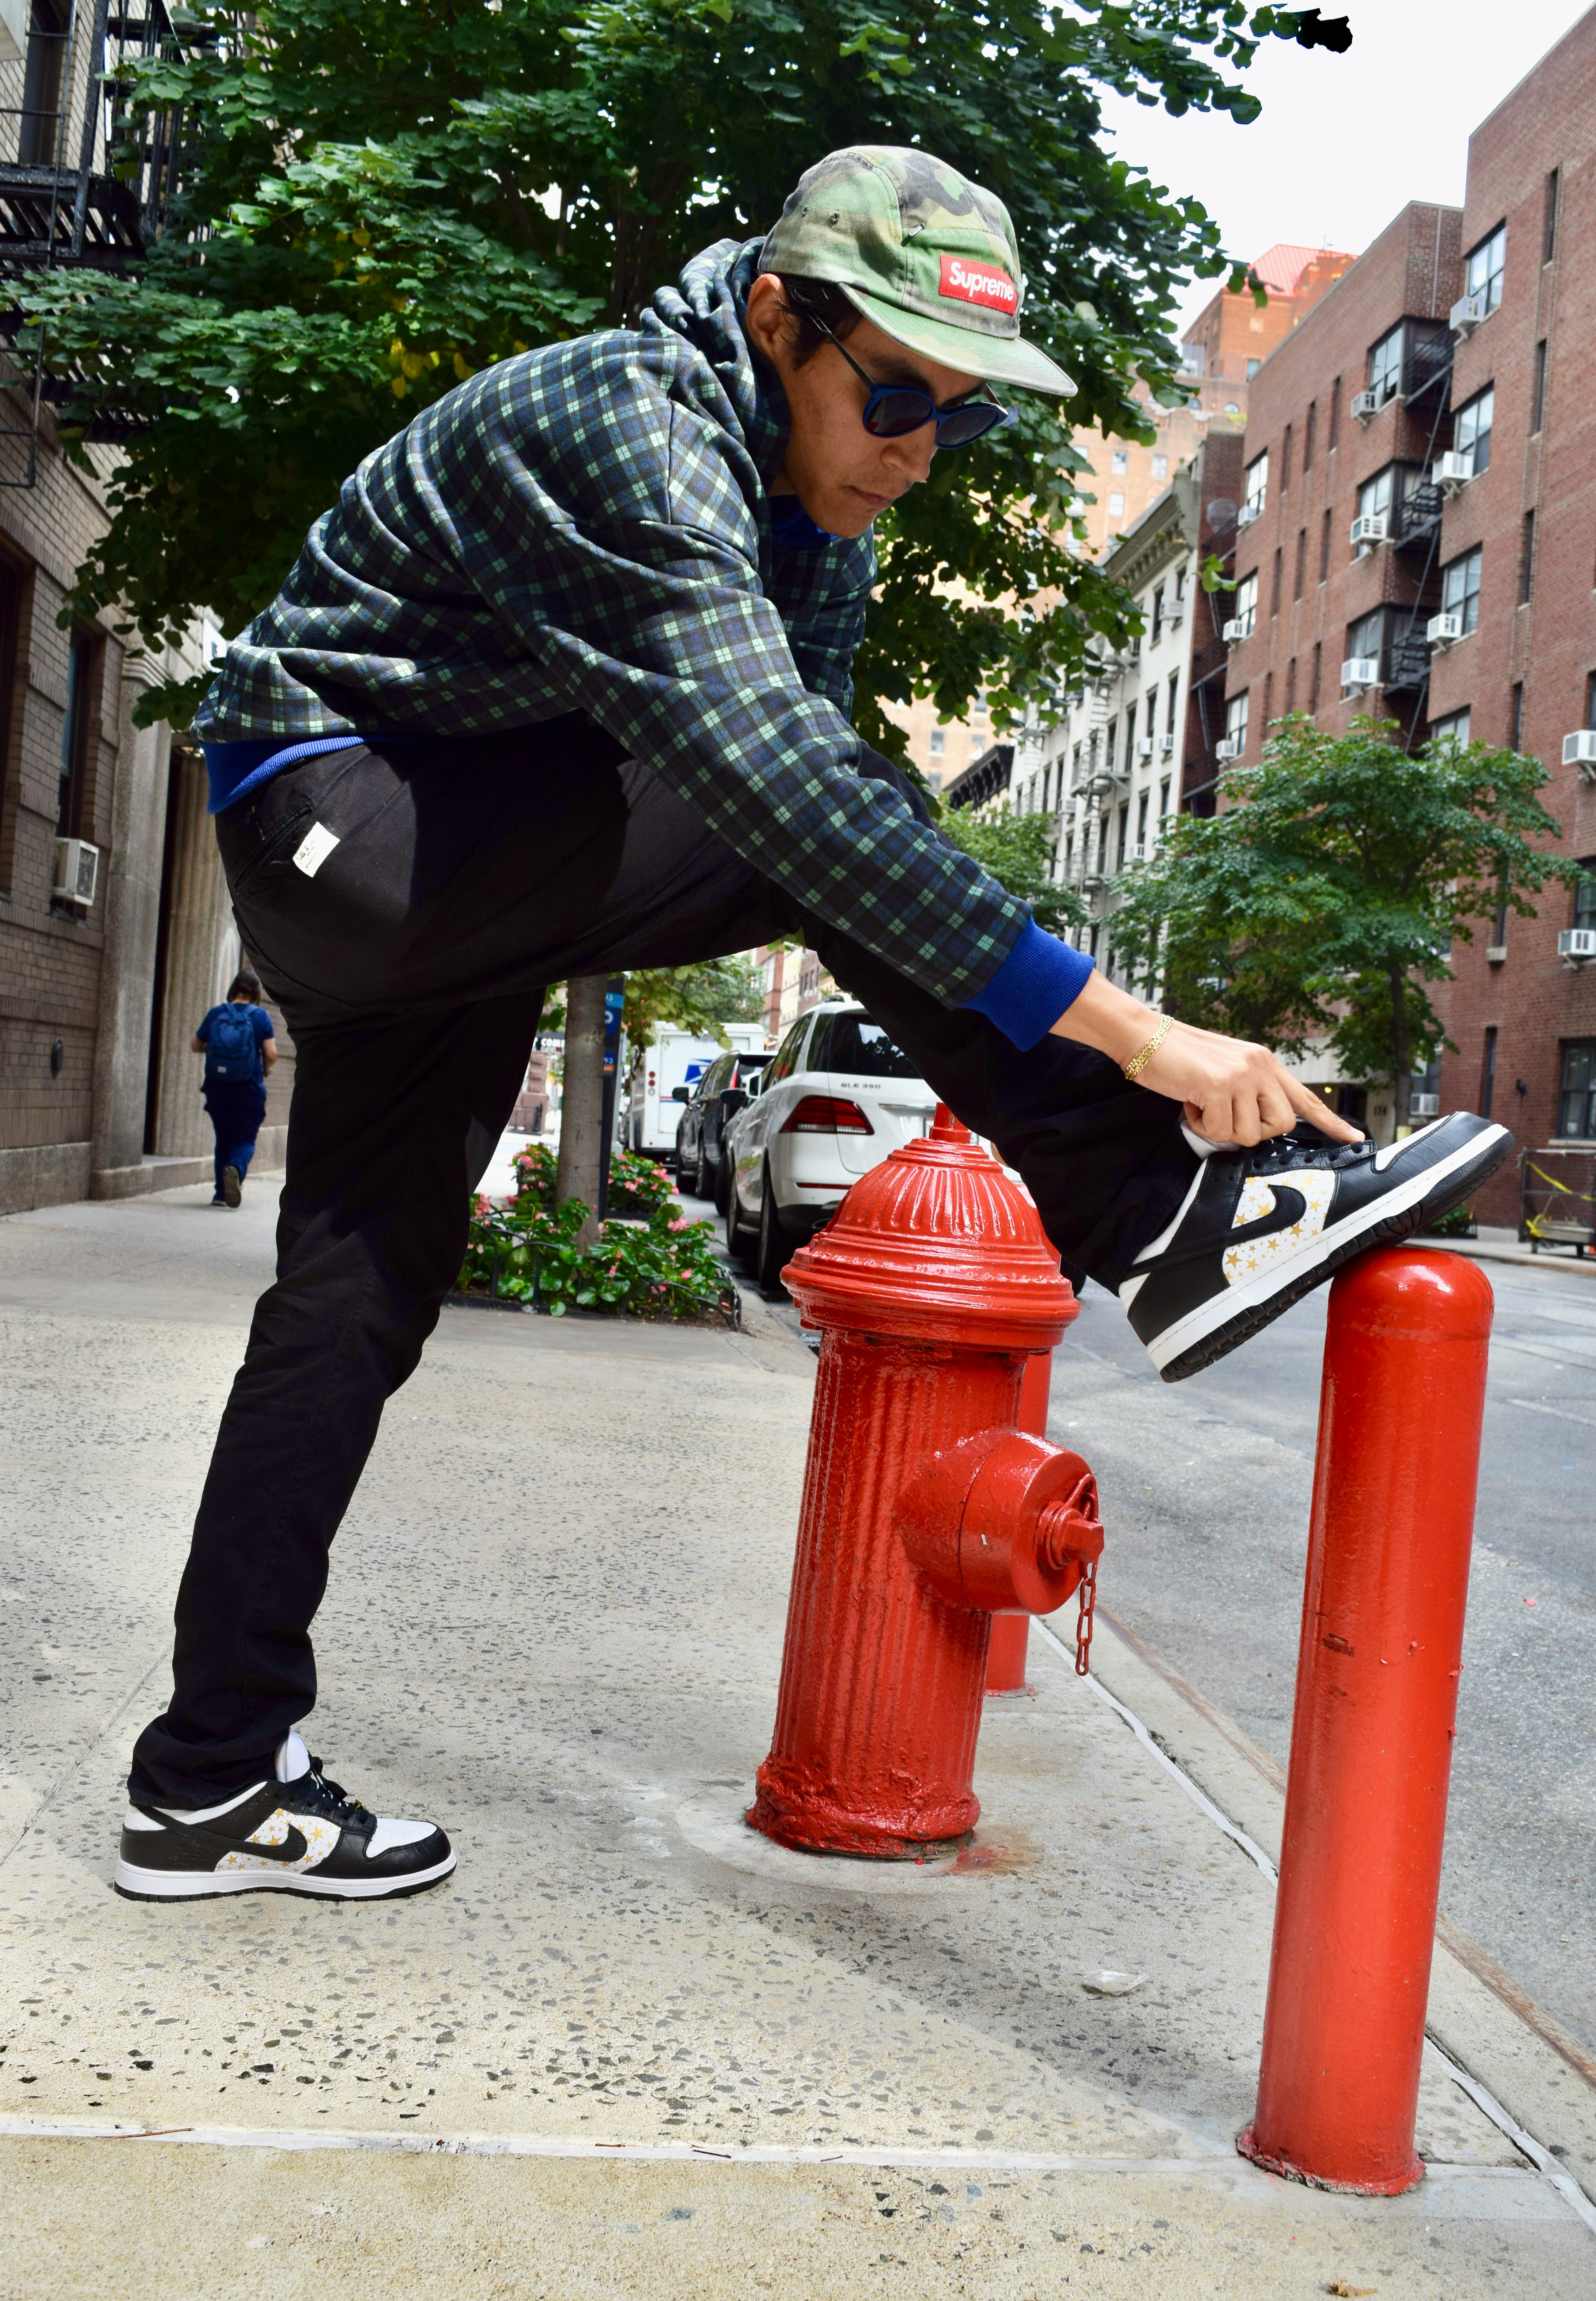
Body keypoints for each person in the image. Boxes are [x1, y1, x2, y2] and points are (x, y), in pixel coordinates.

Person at [114, 146, 1511, 1906]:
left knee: (352, 1302)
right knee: (815, 806)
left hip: (455, 868)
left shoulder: (817, 513)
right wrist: (1139, 1043)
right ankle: (1152, 1210)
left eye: (965, 421)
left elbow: (827, 802)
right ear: (775, 319)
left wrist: (936, 937)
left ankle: (206, 1772)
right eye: (894, 395)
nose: (917, 450)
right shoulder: (631, 418)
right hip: (343, 813)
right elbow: (784, 797)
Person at [194, 971, 277, 1207]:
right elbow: (271, 1054)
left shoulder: (216, 1013)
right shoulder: (260, 1017)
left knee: (223, 1140)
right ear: (256, 993)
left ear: (234, 990)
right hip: (248, 1089)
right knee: (245, 1139)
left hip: (217, 1089)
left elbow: (196, 1045)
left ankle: (220, 1195)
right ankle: (236, 1169)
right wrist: (267, 1067)